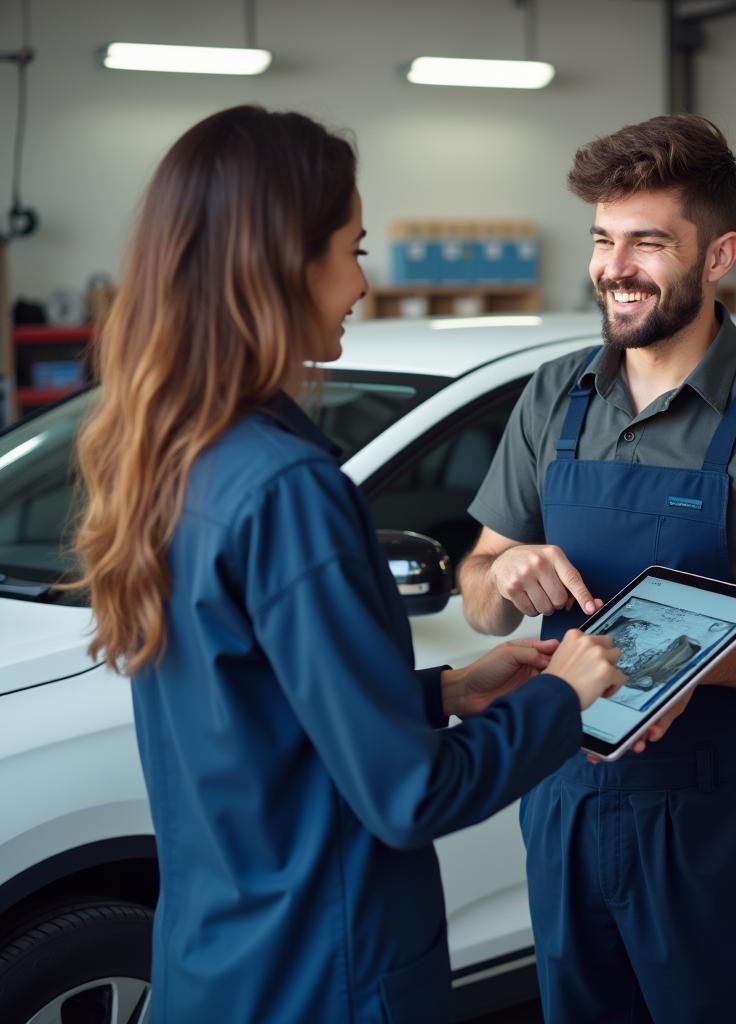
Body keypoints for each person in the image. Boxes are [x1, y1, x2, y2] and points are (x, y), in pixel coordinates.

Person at [72, 105, 624, 1024]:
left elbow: (250, 715)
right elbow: (411, 795)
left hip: (219, 960)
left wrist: (442, 692)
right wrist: (559, 696)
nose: (362, 284)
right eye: (354, 249)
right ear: (284, 264)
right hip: (324, 974)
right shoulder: (288, 488)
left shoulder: (172, 459)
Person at [458, 113, 736, 1024]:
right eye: (604, 240)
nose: (616, 267)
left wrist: (697, 661)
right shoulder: (554, 398)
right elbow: (480, 598)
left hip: (720, 826)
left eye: (649, 242)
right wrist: (501, 579)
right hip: (567, 801)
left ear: (720, 254)